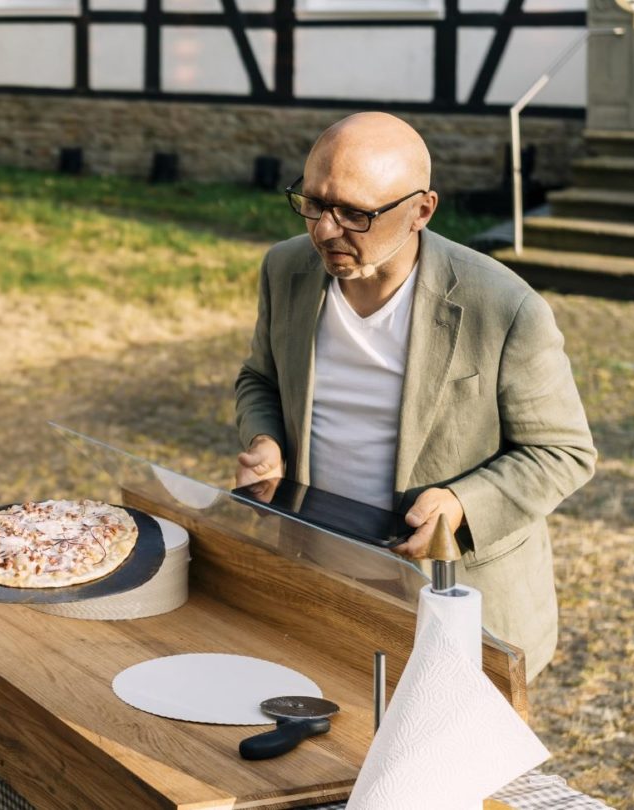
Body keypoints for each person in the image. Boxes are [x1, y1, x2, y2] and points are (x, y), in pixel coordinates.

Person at [233, 112, 596, 682]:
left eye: (355, 213)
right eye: (312, 202)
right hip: (317, 578)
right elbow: (260, 379)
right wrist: (265, 439)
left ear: (422, 209)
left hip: (457, 598)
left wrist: (459, 504)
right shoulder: (285, 269)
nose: (325, 230)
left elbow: (563, 453)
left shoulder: (504, 306)